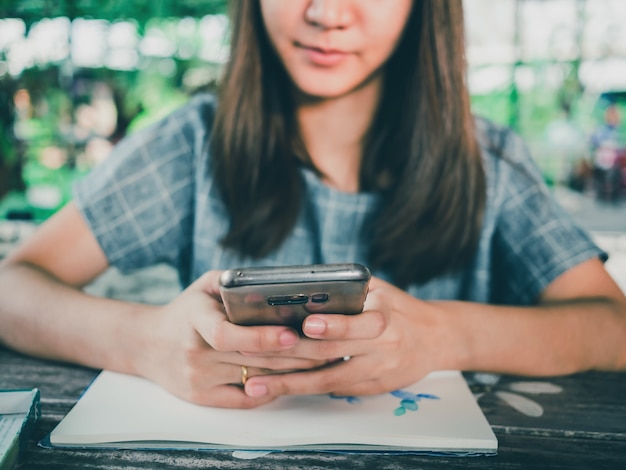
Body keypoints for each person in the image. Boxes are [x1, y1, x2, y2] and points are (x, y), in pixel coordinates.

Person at [1, 0, 625, 410]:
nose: (327, 13)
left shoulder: (488, 158)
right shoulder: (192, 144)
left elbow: (613, 327)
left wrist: (444, 336)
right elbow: (12, 290)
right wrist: (141, 340)